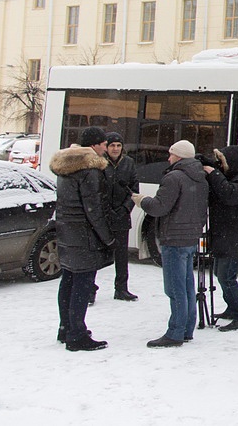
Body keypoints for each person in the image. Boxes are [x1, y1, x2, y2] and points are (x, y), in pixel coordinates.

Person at [134, 140, 209, 348]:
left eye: (171, 154)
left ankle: (175, 333)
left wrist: (140, 200)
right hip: (190, 238)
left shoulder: (174, 177)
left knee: (175, 288)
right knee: (186, 286)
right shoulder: (201, 177)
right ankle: (186, 329)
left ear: (179, 156)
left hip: (173, 239)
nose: (168, 158)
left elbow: (159, 207)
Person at [49, 127, 114, 352]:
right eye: (104, 144)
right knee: (83, 284)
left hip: (67, 232)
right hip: (84, 235)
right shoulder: (90, 170)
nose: (106, 148)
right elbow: (93, 209)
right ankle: (76, 335)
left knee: (68, 280)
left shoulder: (65, 166)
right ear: (94, 145)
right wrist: (108, 238)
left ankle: (65, 328)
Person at [202, 146, 238, 332]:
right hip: (228, 234)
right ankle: (232, 308)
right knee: (220, 273)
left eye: (223, 162)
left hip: (236, 235)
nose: (221, 166)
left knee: (227, 277)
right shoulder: (236, 175)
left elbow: (229, 194)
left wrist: (213, 173)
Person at [104, 132, 139, 301]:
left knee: (122, 256)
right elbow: (95, 191)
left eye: (118, 145)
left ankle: (121, 289)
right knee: (96, 255)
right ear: (106, 147)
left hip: (122, 216)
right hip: (102, 218)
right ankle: (90, 290)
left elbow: (134, 189)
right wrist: (107, 211)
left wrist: (125, 209)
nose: (116, 149)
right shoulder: (100, 163)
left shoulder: (128, 163)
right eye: (112, 145)